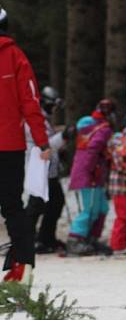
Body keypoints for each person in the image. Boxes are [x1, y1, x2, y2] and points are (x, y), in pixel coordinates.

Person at [0, 5, 51, 282]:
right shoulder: (16, 57)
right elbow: (31, 103)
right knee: (12, 206)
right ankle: (22, 266)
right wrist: (42, 143)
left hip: (9, 144)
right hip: (9, 145)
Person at [65, 100, 115, 256]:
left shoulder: (91, 126)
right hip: (90, 174)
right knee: (90, 209)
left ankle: (91, 238)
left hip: (91, 173)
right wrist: (91, 169)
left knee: (101, 208)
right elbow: (93, 148)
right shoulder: (103, 129)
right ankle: (75, 240)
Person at [26, 85, 70, 254]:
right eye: (52, 105)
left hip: (49, 169)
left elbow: (50, 141)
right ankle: (25, 239)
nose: (53, 109)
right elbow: (44, 143)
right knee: (36, 205)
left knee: (56, 202)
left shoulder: (44, 119)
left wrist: (61, 148)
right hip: (38, 168)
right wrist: (64, 137)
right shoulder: (34, 119)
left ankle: (46, 238)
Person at [107, 128, 126, 255]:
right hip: (121, 185)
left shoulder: (123, 141)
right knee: (124, 215)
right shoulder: (122, 142)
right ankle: (118, 245)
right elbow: (122, 163)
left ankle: (122, 243)